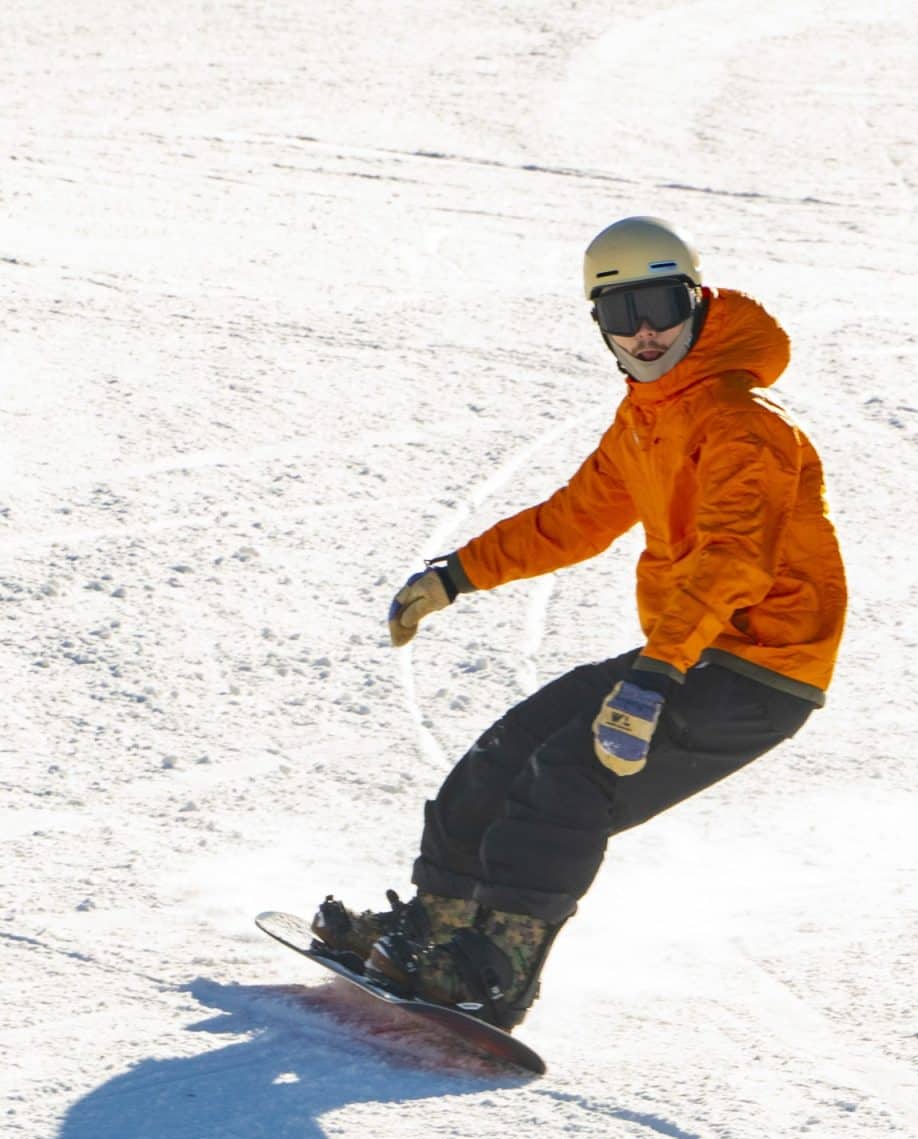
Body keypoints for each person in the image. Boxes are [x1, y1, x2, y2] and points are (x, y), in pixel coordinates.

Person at [313, 216, 847, 1030]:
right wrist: (456, 575)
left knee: (568, 777)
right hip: (687, 652)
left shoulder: (743, 423)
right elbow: (576, 517)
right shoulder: (650, 416)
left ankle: (495, 970)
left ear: (698, 301)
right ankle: (433, 932)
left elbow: (734, 559)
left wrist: (655, 674)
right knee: (506, 752)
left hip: (761, 669)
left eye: (660, 306)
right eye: (619, 313)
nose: (643, 332)